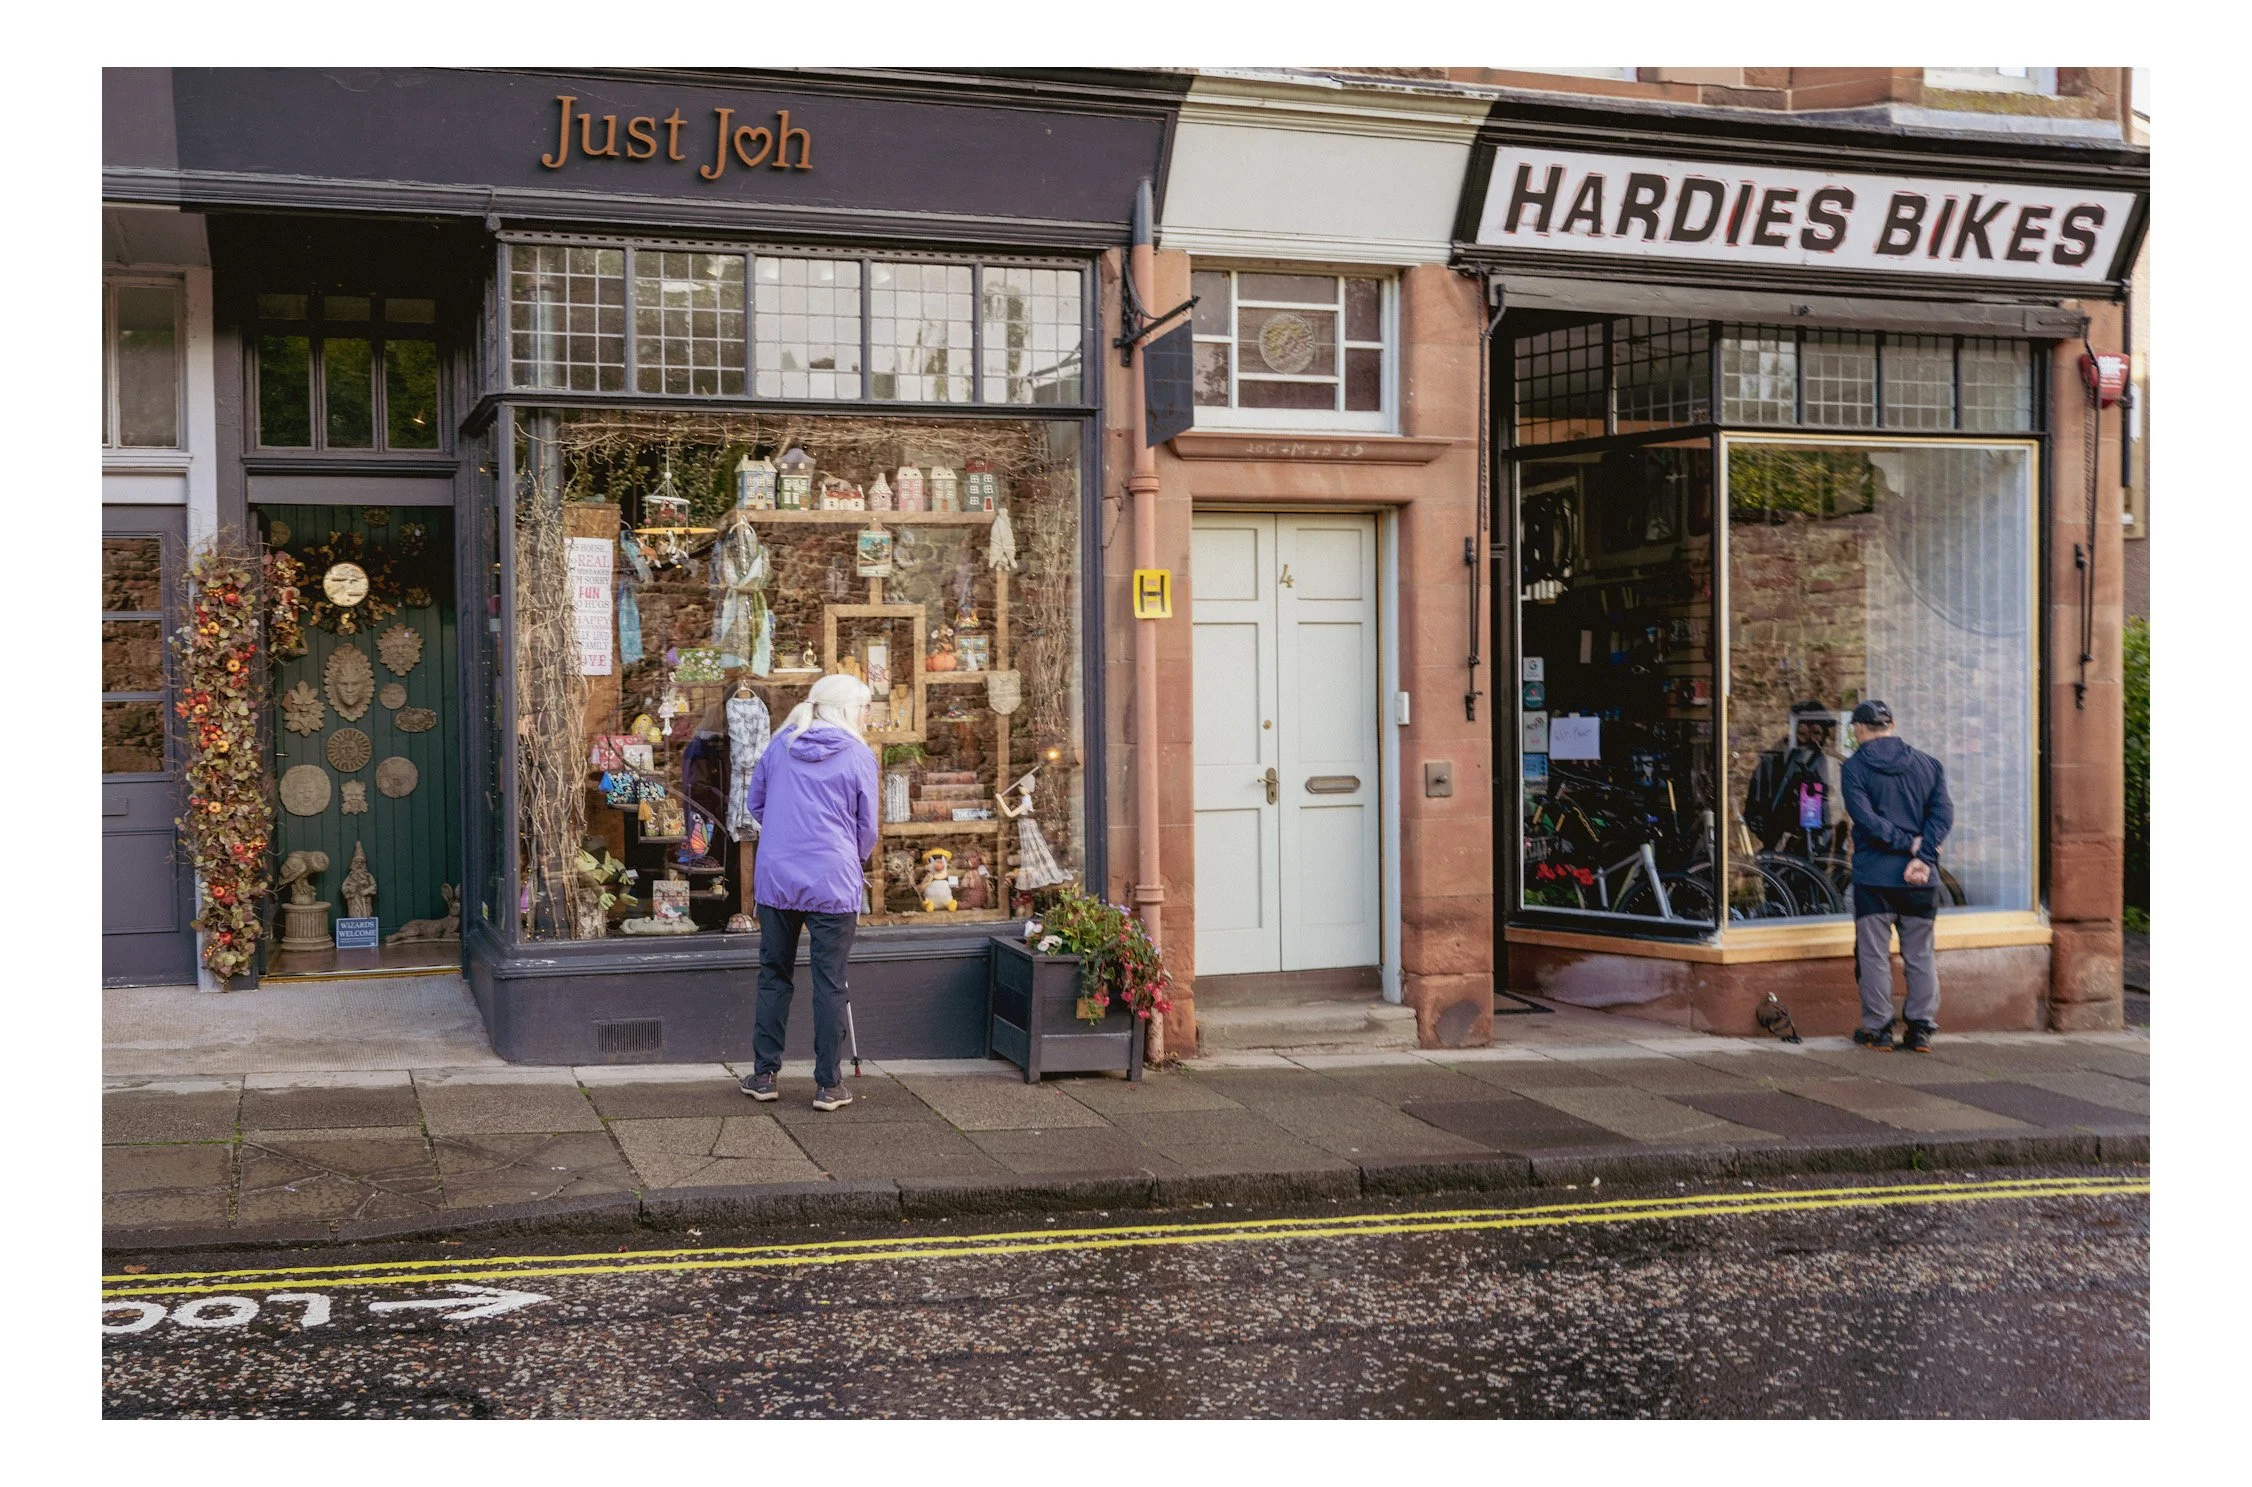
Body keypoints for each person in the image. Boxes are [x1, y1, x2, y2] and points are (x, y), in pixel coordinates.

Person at [739, 672, 878, 1110]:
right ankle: (828, 1084)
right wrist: (851, 857)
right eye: (863, 707)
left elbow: (755, 803)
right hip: (833, 880)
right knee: (830, 982)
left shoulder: (780, 745)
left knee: (774, 974)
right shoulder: (858, 755)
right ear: (845, 709)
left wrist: (786, 829)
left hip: (778, 878)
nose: (867, 715)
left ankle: (764, 1076)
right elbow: (867, 828)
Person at [1839, 699, 1954, 1053]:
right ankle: (1920, 1028)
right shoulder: (1928, 764)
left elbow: (1866, 819)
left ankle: (1880, 1029)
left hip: (1875, 876)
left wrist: (1908, 845)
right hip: (1920, 877)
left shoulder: (1855, 768)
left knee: (1873, 955)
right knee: (1920, 954)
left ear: (1858, 730)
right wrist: (1924, 853)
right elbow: (1943, 814)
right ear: (1892, 724)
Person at [1742, 700, 1844, 853]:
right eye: (1802, 733)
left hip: (1820, 850)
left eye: (1816, 733)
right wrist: (1775, 835)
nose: (1810, 741)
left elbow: (1838, 813)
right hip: (1782, 850)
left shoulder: (1831, 766)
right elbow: (1754, 811)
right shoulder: (1771, 763)